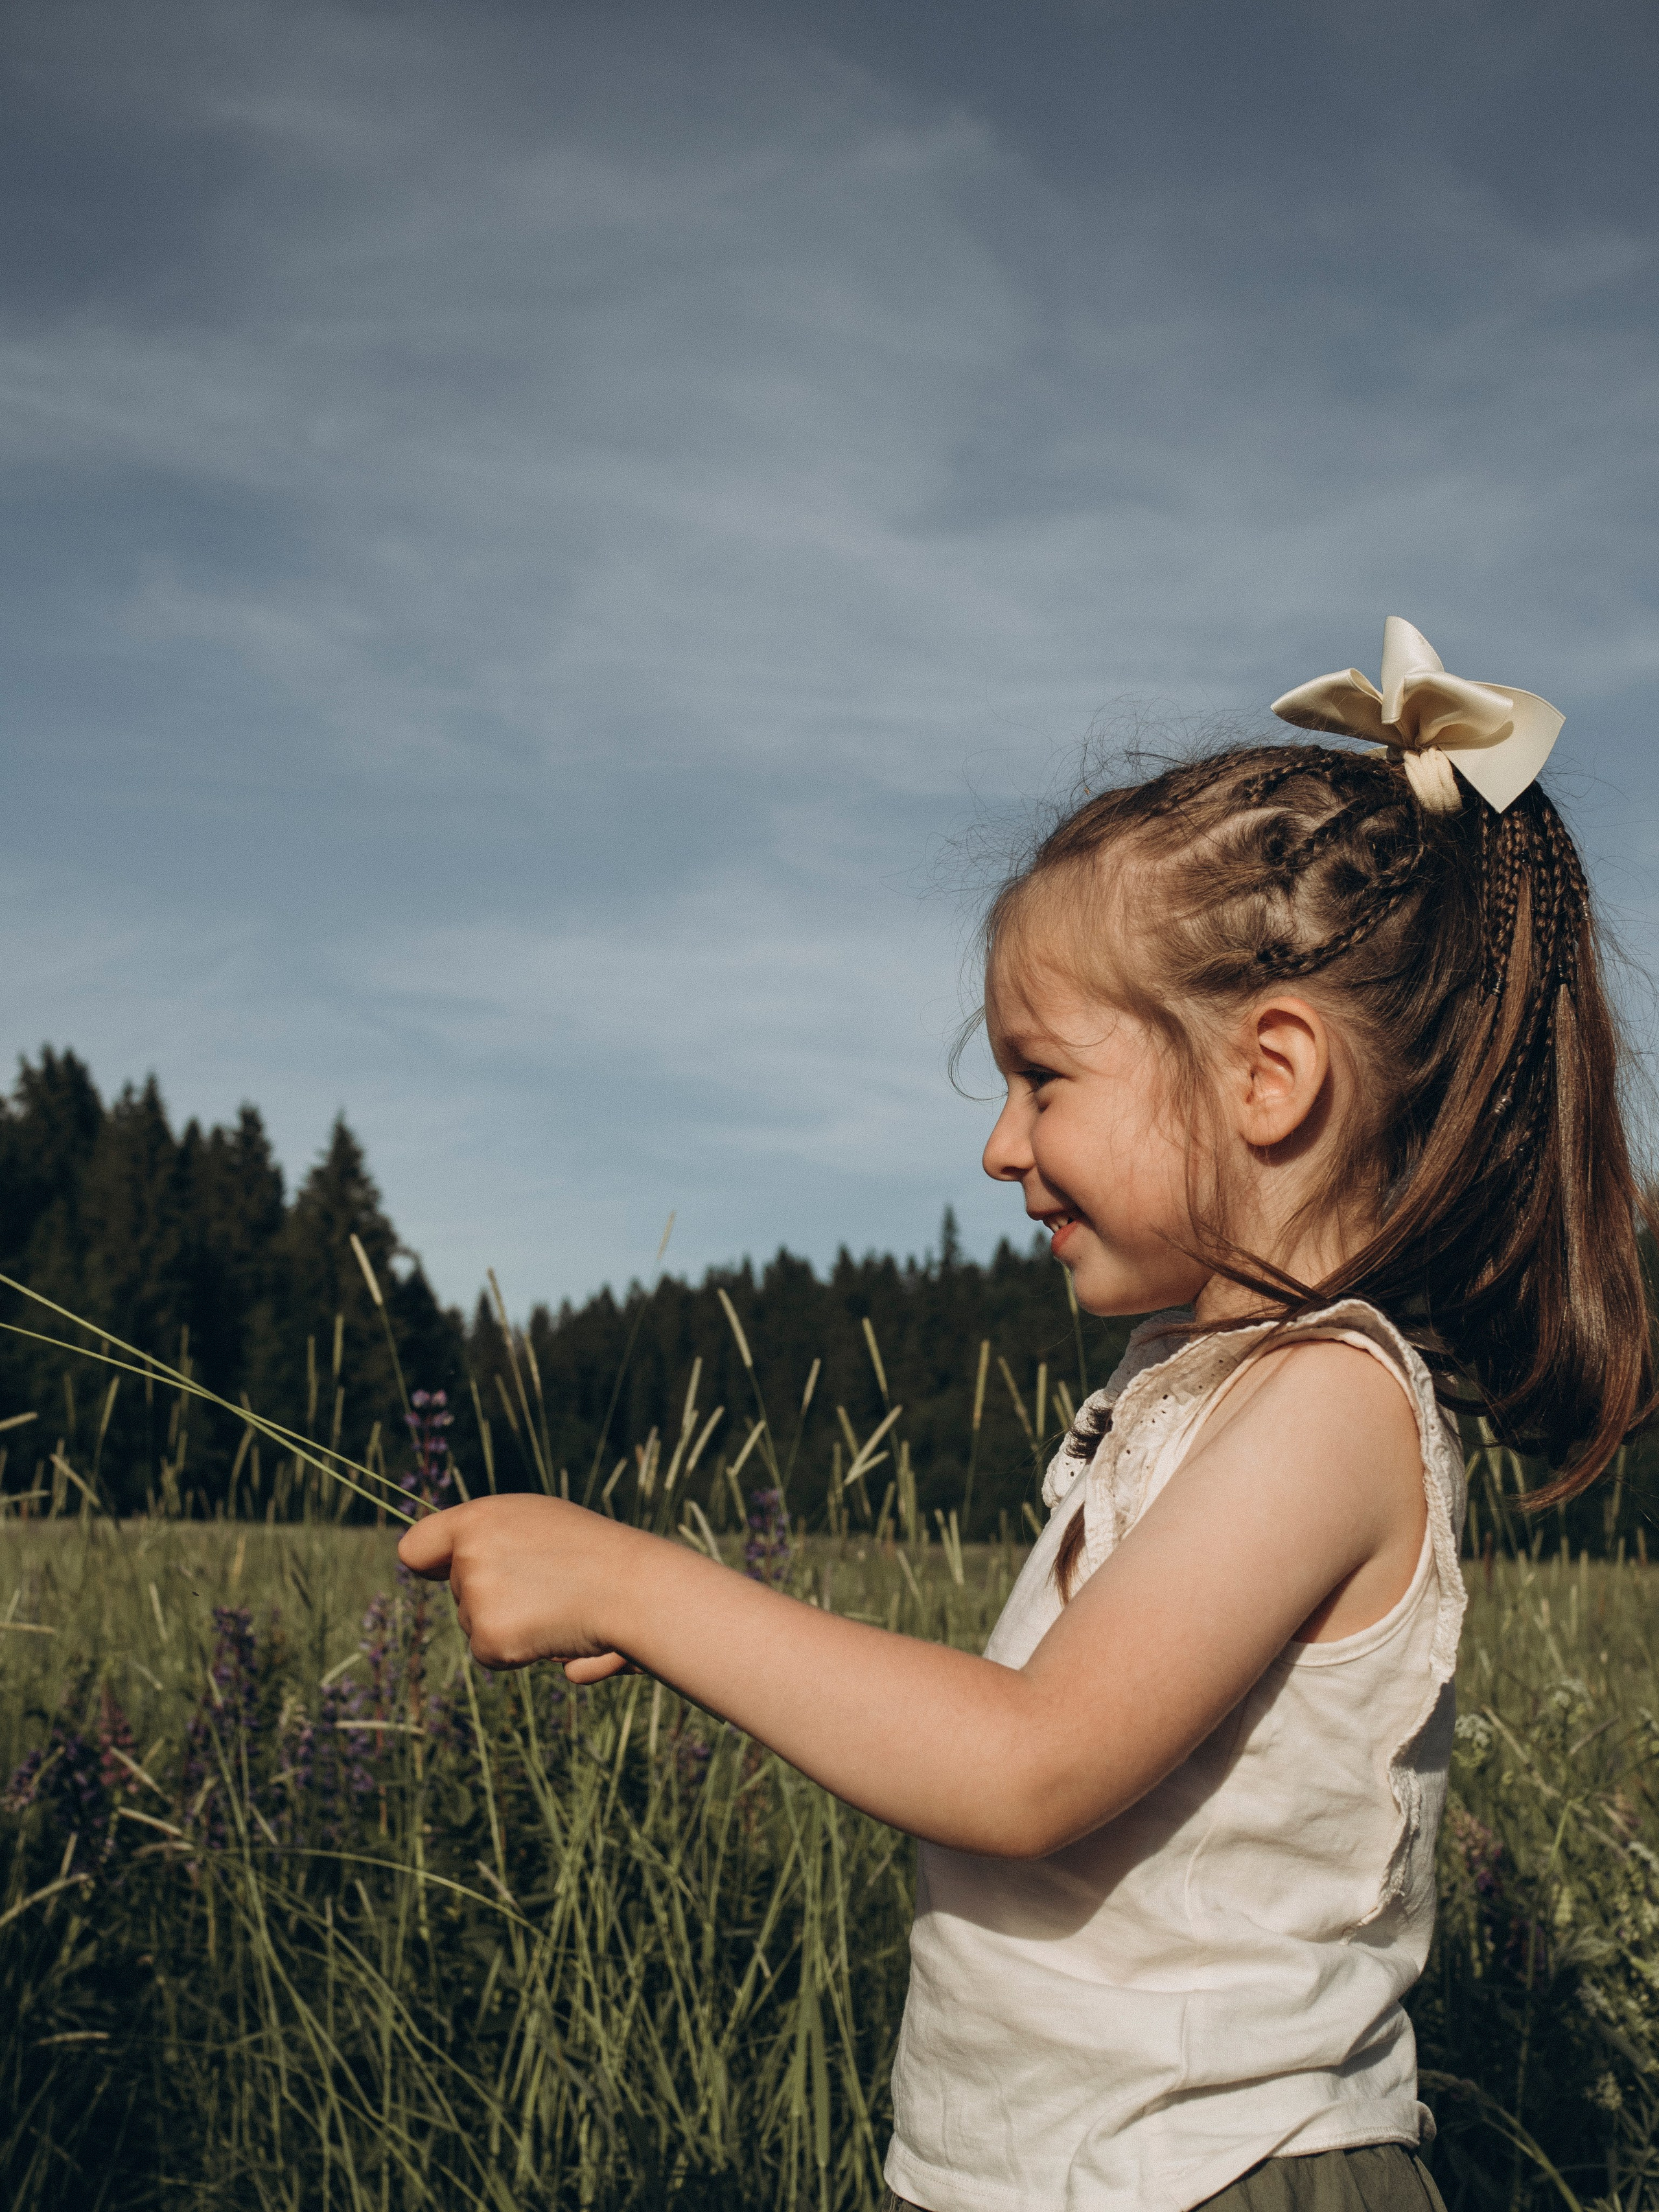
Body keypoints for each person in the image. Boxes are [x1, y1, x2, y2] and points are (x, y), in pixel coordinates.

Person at [400, 618, 1654, 2211]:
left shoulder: (1328, 1407)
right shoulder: (1181, 1386)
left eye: (1041, 1077)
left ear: (1268, 1074)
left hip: (1220, 2181)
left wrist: (641, 1583)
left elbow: (1029, 1765)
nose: (999, 1147)